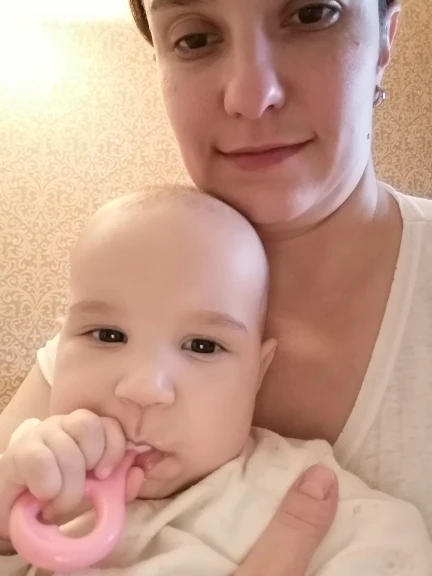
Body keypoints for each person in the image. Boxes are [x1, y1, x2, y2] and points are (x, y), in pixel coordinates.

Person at [1, 0, 432, 573]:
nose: (250, 96)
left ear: (384, 40)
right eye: (195, 38)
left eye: (311, 14)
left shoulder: (371, 531)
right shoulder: (105, 332)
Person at [0, 188, 430, 576]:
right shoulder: (34, 476)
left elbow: (394, 548)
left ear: (258, 372)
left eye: (202, 346)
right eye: (108, 335)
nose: (145, 389)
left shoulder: (298, 490)